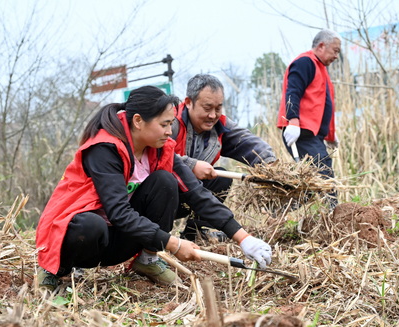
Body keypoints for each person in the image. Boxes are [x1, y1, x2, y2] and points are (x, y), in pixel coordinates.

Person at [35, 86, 272, 290]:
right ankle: (55, 268)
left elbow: (197, 193)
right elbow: (119, 212)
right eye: (165, 124)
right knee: (90, 225)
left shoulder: (160, 147)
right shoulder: (104, 149)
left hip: (117, 238)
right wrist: (174, 244)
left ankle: (147, 260)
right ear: (138, 121)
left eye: (171, 124)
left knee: (165, 182)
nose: (170, 132)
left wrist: (243, 238)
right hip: (83, 233)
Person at [172, 74, 277, 241]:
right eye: (207, 108)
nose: (213, 115)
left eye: (218, 108)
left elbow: (247, 141)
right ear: (188, 102)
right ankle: (156, 240)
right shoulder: (170, 123)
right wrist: (190, 165)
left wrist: (270, 164)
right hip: (167, 194)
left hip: (193, 193)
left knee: (221, 177)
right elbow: (156, 155)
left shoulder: (219, 125)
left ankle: (196, 233)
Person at [277, 29, 341, 208]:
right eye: (335, 51)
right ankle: (333, 215)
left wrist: (330, 134)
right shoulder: (305, 62)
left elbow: (321, 103)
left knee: (312, 181)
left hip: (311, 134)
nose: (336, 56)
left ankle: (280, 211)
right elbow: (293, 92)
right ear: (321, 46)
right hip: (301, 132)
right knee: (323, 170)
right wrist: (293, 121)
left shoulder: (320, 68)